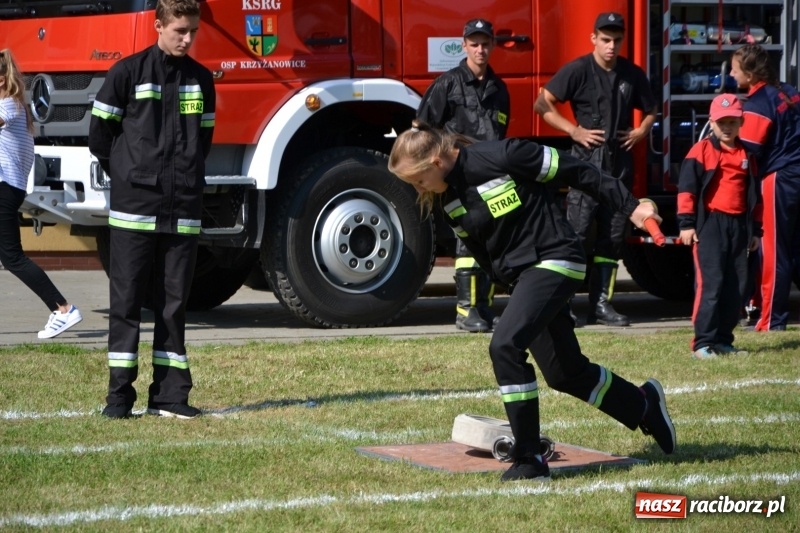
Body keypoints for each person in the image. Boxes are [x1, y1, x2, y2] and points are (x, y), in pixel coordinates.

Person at [388, 120, 676, 482]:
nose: (418, 190)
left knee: (505, 346)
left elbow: (580, 170)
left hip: (556, 257)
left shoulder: (504, 155)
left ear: (435, 161)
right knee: (563, 373)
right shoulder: (448, 200)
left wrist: (631, 206)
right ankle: (643, 405)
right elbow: (483, 252)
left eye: (417, 180)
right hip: (527, 279)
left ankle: (528, 458)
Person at [89, 0, 215, 419]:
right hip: (134, 210)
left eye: (192, 31)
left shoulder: (201, 80)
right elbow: (100, 137)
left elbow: (204, 141)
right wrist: (127, 175)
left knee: (174, 306)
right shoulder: (126, 73)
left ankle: (170, 398)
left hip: (183, 209)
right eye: (180, 30)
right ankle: (118, 400)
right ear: (158, 25)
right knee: (125, 305)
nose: (187, 38)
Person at [534, 12, 657, 327]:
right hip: (585, 167)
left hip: (618, 167)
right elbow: (542, 104)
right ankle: (563, 307)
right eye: (605, 39)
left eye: (616, 40)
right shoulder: (578, 70)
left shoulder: (632, 73)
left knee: (612, 238)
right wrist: (574, 131)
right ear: (594, 39)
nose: (611, 46)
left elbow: (652, 108)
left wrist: (642, 130)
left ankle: (602, 305)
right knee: (575, 235)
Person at [417, 18, 510, 333]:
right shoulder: (448, 83)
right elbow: (421, 127)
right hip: (461, 175)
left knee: (492, 242)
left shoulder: (500, 89)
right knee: (467, 243)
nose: (480, 49)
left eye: (485, 43)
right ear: (464, 45)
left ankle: (484, 308)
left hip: (493, 174)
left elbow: (501, 131)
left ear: (493, 45)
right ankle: (465, 310)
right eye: (474, 43)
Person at [0, 48, 83, 340]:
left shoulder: (8, 106)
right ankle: (62, 308)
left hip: (4, 190)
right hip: (7, 188)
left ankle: (63, 308)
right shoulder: (14, 105)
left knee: (13, 258)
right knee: (11, 257)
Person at [677, 94, 761, 359]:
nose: (727, 127)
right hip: (711, 225)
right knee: (710, 285)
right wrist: (687, 224)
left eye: (732, 122)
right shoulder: (701, 151)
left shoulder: (748, 154)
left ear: (741, 122)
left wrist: (755, 231)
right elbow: (687, 190)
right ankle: (703, 342)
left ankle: (724, 339)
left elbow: (755, 196)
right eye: (722, 121)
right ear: (711, 123)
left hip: (738, 226)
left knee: (737, 286)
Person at [730, 43, 800, 331]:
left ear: (749, 73)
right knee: (794, 250)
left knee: (773, 253)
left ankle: (772, 320)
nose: (732, 75)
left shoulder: (759, 103)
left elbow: (750, 150)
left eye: (735, 69)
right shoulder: (791, 91)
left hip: (780, 179)